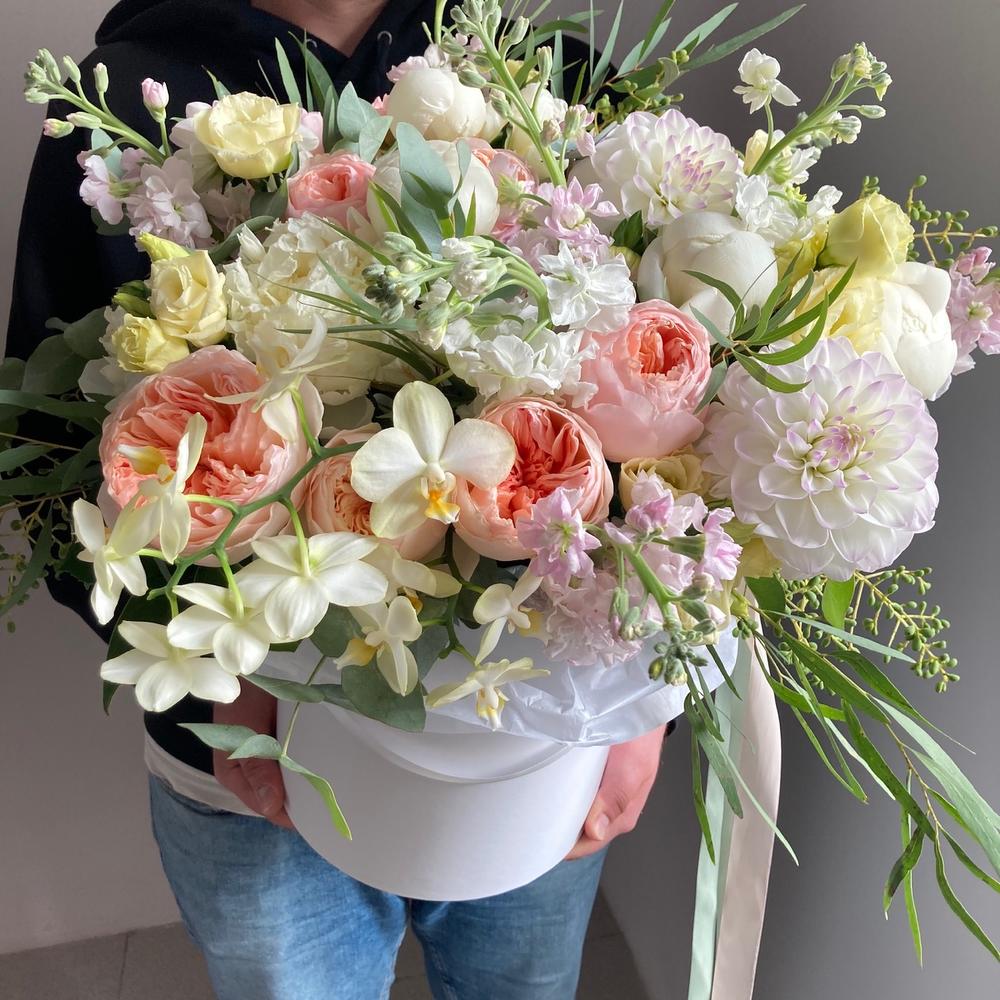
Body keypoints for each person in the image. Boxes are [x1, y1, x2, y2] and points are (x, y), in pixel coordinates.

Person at [5, 2, 668, 996]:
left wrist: (644, 708)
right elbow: (54, 469)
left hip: (533, 746)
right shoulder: (129, 107)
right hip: (256, 772)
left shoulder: (556, 77)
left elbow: (693, 440)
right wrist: (227, 671)